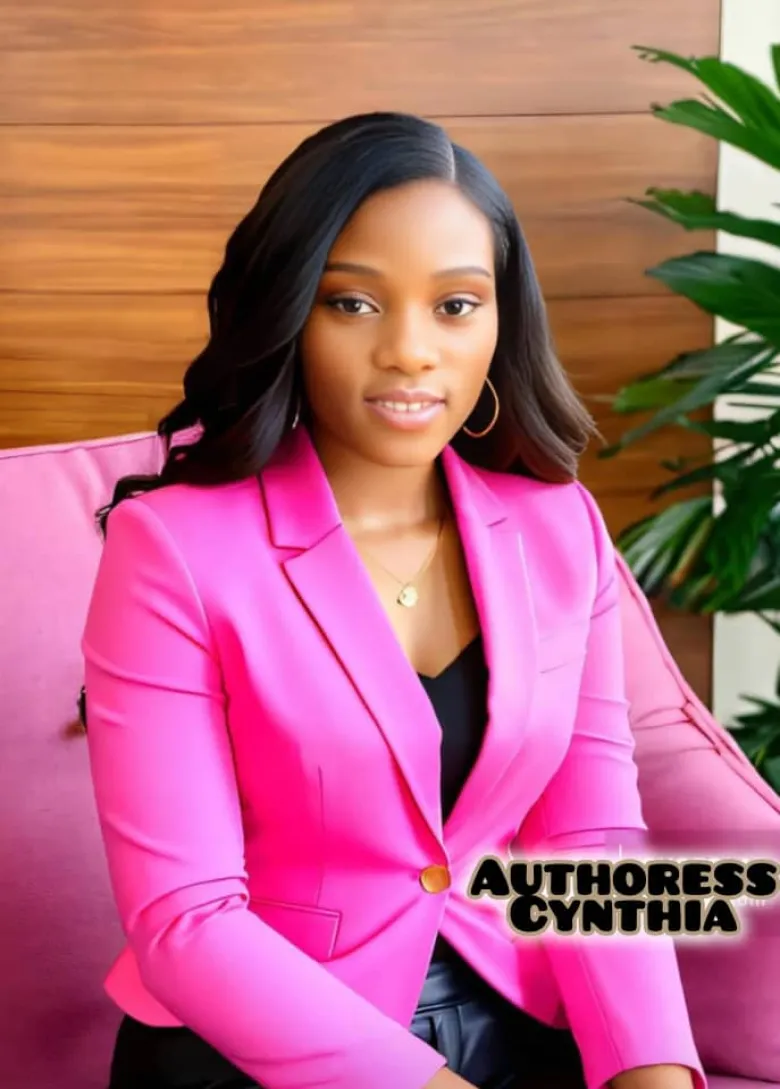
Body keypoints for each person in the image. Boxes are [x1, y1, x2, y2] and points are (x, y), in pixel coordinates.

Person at [81, 112, 706, 1089]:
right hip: (261, 1048)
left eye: (455, 305)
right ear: (290, 310)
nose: (412, 352)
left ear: (501, 321)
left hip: (519, 1028)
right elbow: (186, 919)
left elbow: (590, 841)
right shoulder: (173, 549)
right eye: (353, 303)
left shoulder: (559, 529)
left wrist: (654, 1069)